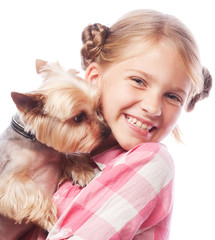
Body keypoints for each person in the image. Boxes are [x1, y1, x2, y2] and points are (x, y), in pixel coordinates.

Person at [23, 9, 212, 240]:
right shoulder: (60, 155)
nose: (153, 107)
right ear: (95, 78)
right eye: (139, 81)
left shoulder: (151, 161)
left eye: (173, 97)